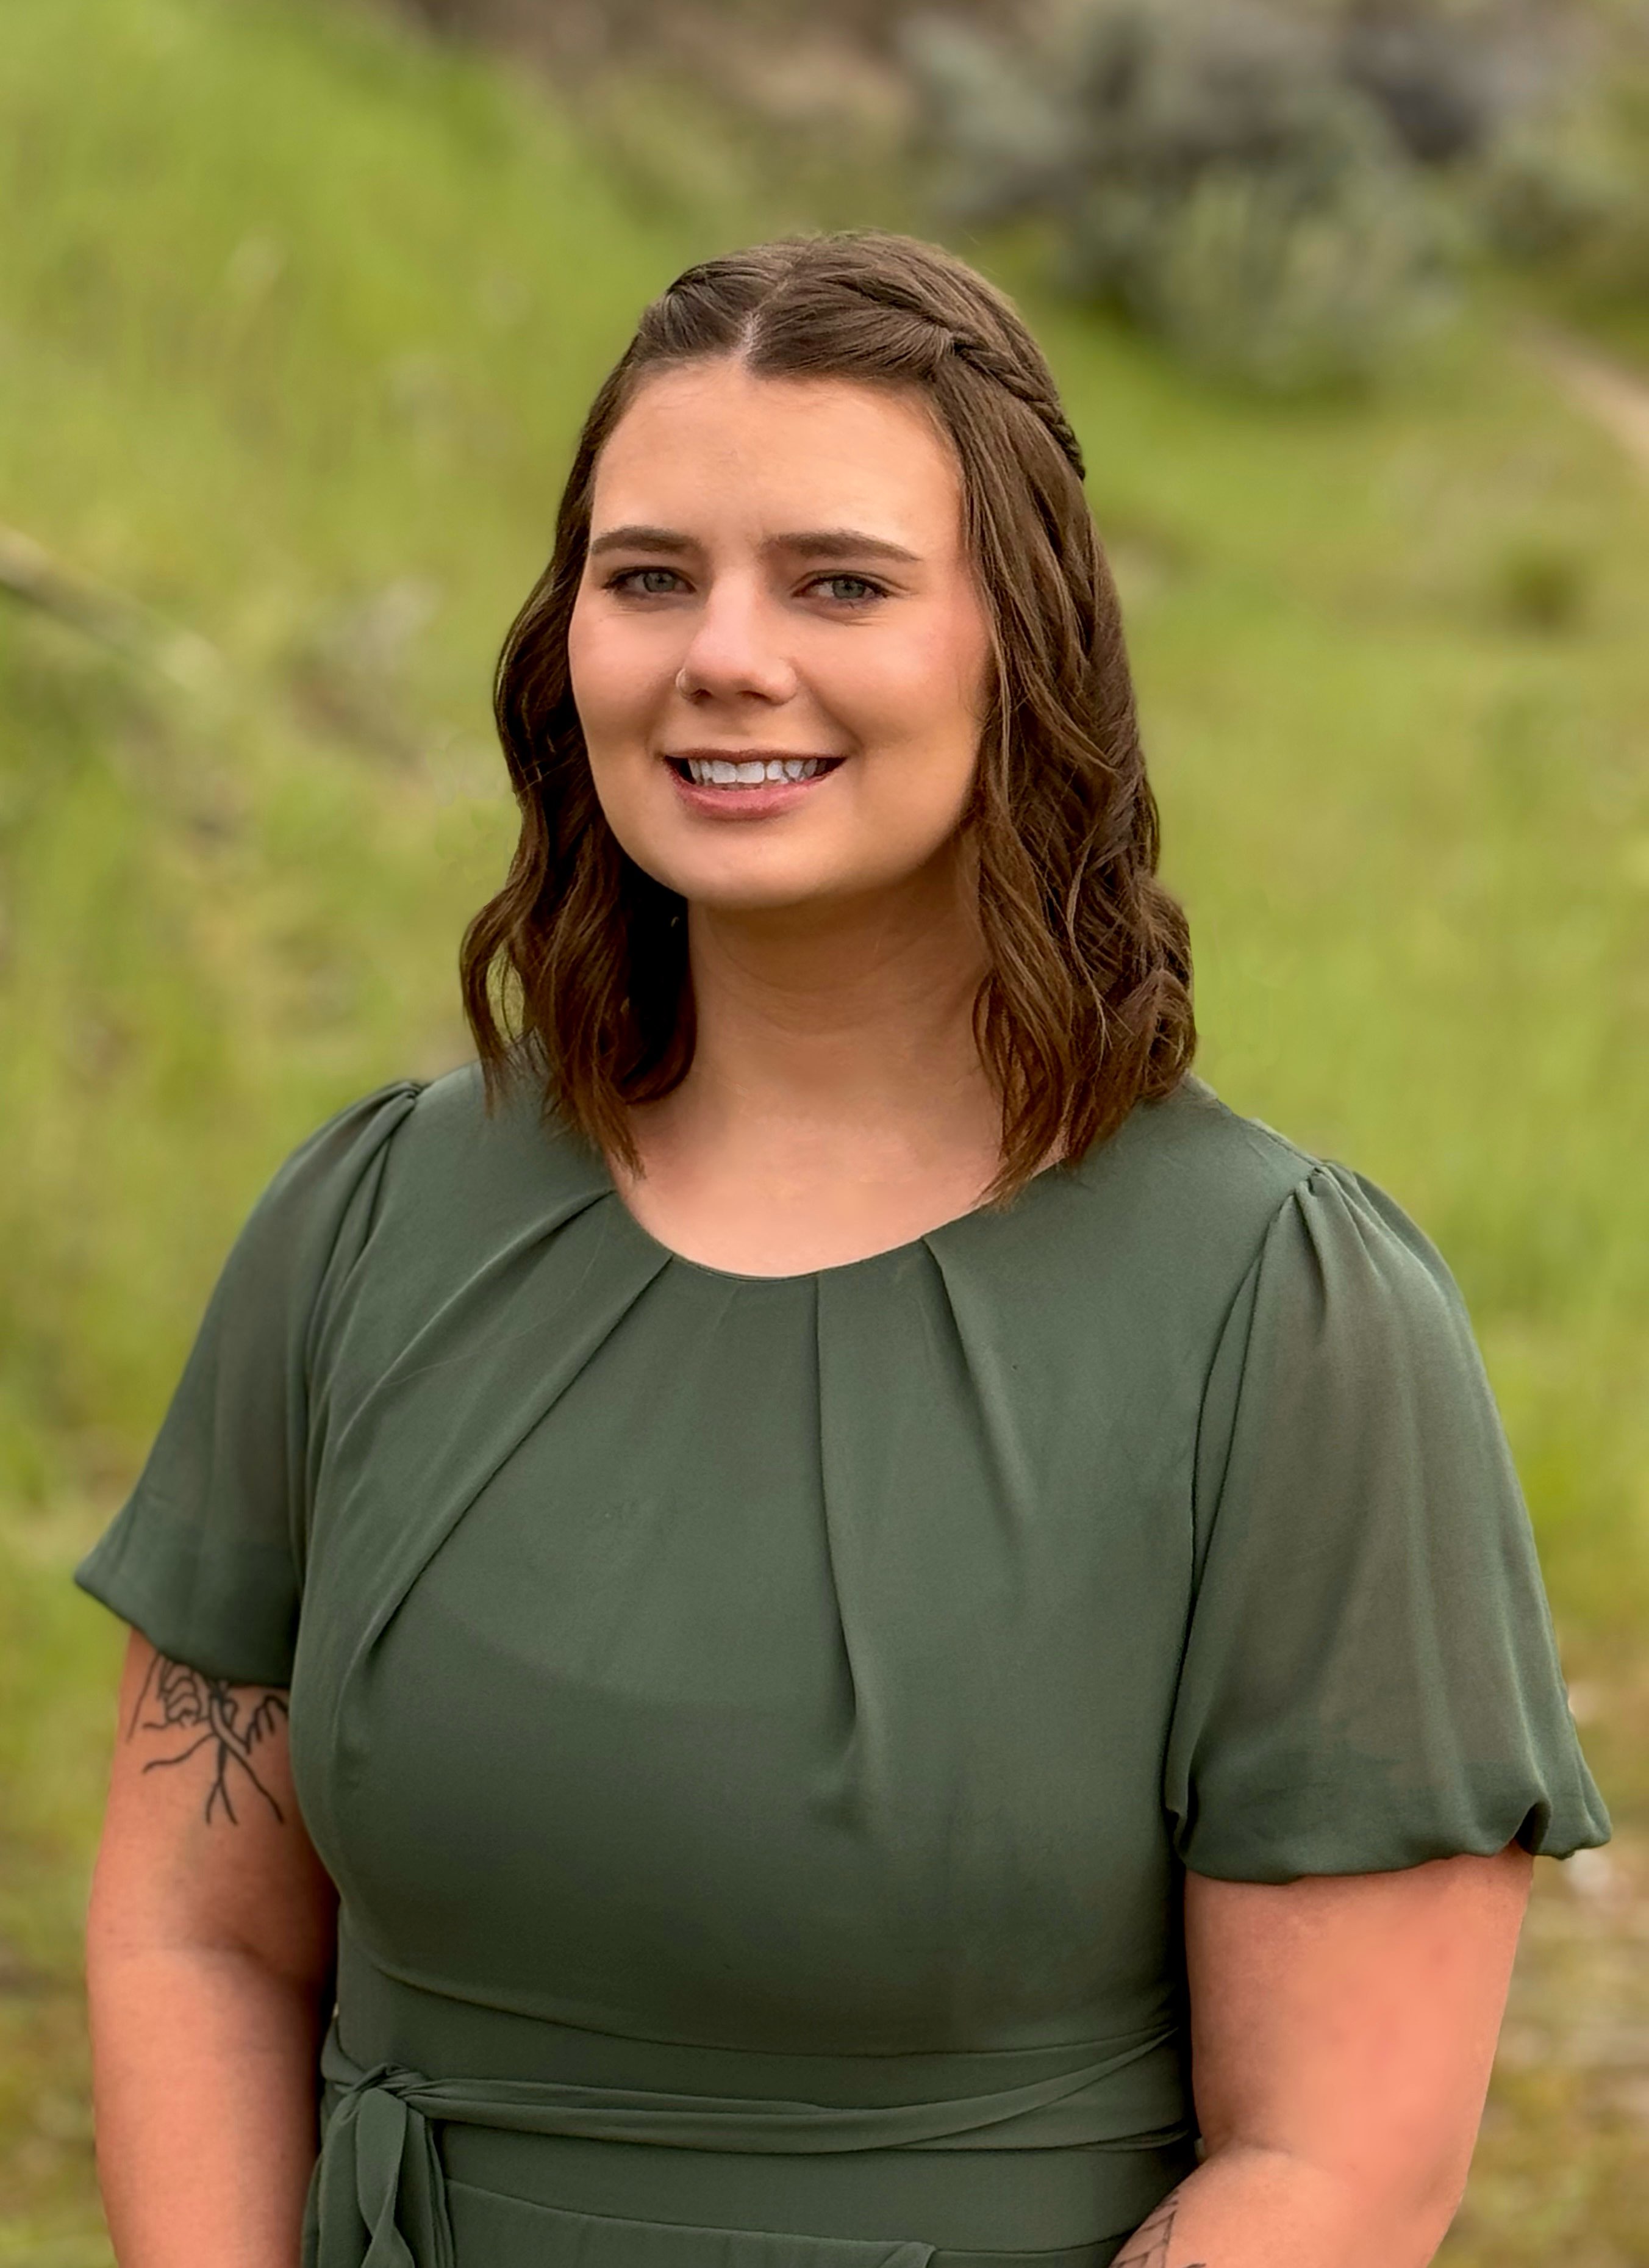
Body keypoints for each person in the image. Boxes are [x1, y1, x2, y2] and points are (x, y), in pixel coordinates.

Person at [76, 231, 1606, 2268]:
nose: (722, 654)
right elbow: (195, 1935)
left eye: (839, 583)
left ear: (1020, 647)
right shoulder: (368, 1225)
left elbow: (1339, 2162)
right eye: (649, 578)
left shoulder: (1286, 1322)